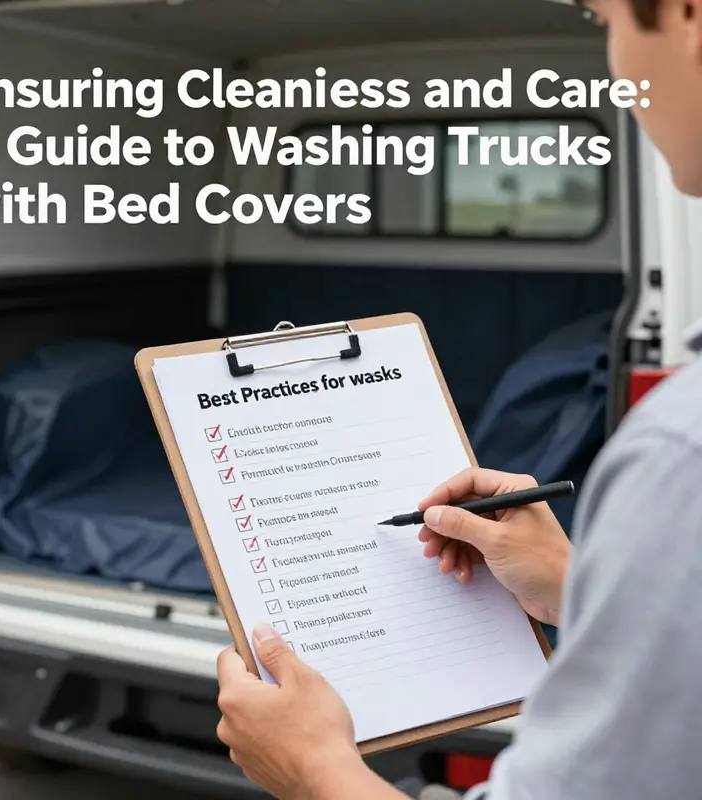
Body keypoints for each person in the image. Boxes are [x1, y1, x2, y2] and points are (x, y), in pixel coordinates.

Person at [215, 0, 702, 797]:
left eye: (605, 21)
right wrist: (576, 586)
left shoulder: (682, 456)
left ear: (689, 19)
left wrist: (313, 771)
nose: (618, 71)